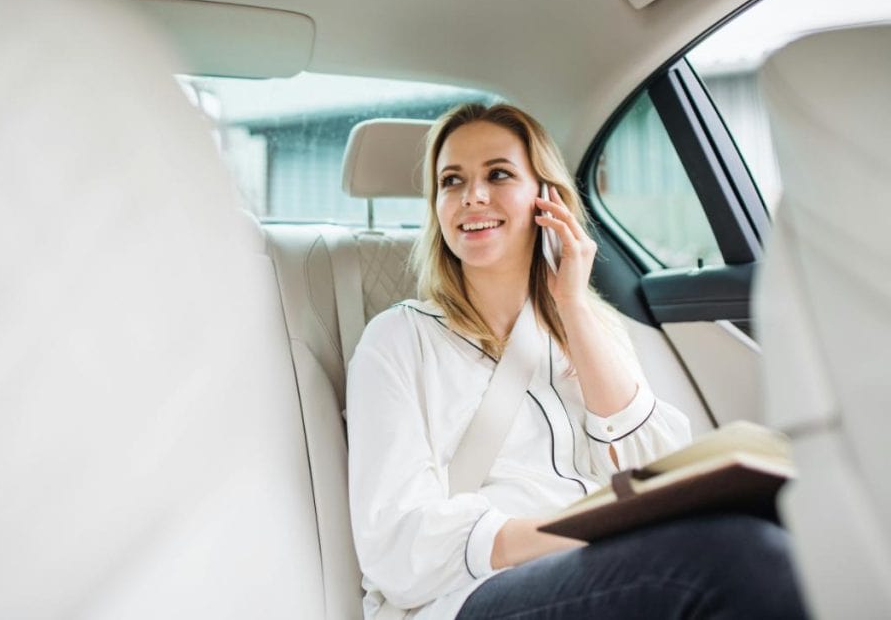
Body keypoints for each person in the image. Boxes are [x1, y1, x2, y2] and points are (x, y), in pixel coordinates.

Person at [345, 103, 807, 620]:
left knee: (793, 529)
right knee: (740, 557)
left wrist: (572, 306)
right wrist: (567, 534)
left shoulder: (596, 329)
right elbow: (394, 539)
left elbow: (651, 466)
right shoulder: (398, 339)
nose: (473, 195)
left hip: (607, 559)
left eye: (497, 174)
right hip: (470, 596)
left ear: (547, 199)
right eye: (452, 181)